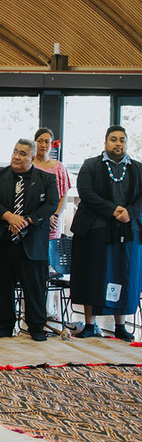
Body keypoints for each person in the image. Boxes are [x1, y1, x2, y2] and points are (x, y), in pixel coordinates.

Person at [71, 126, 142, 341]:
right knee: (93, 275)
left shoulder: (139, 168)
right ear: (105, 143)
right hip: (95, 229)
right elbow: (86, 193)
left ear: (127, 143)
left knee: (124, 275)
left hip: (128, 228)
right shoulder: (91, 165)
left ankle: (120, 326)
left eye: (122, 140)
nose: (118, 143)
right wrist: (112, 210)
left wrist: (130, 212)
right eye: (113, 139)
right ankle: (90, 325)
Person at [0, 139, 59, 341]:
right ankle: (5, 326)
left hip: (32, 242)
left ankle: (36, 327)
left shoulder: (46, 178)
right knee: (4, 286)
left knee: (34, 287)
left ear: (32, 158)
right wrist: (9, 216)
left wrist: (27, 220)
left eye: (22, 153)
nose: (17, 156)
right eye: (15, 152)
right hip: (3, 240)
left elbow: (52, 203)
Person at [33, 128, 71, 240]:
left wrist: (55, 216)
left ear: (51, 144)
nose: (43, 145)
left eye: (47, 141)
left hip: (53, 222)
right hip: (33, 219)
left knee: (51, 254)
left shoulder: (59, 167)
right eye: (40, 141)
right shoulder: (29, 165)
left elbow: (63, 195)